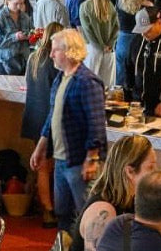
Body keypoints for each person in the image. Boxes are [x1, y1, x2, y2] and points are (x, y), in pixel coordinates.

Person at [29, 29, 106, 231]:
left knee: (86, 215)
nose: (52, 54)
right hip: (62, 159)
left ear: (69, 51)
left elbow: (96, 124)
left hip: (79, 160)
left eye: (55, 50)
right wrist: (40, 148)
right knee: (63, 212)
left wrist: (92, 159)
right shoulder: (61, 78)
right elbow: (52, 117)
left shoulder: (87, 82)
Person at [75, 133, 154, 251]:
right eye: (150, 167)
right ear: (129, 172)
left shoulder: (131, 201)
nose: (155, 173)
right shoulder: (103, 210)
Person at [22, 23, 62, 225]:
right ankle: (48, 209)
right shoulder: (55, 62)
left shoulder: (34, 57)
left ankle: (38, 202)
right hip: (49, 118)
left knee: (39, 166)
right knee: (47, 167)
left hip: (33, 115)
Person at [77, 0, 116, 87]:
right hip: (109, 50)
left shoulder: (84, 6)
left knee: (89, 85)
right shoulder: (109, 4)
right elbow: (116, 26)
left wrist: (100, 46)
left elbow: (88, 31)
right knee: (107, 87)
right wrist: (109, 44)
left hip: (93, 49)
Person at [115, 0, 150, 87]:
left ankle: (118, 99)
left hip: (122, 39)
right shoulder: (145, 7)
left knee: (120, 74)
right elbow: (147, 27)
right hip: (137, 40)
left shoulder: (119, 2)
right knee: (136, 74)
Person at [0, 0, 34, 76]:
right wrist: (14, 37)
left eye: (21, 3)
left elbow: (31, 32)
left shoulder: (25, 17)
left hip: (24, 59)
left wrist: (32, 36)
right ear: (8, 1)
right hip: (5, 61)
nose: (19, 6)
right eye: (16, 3)